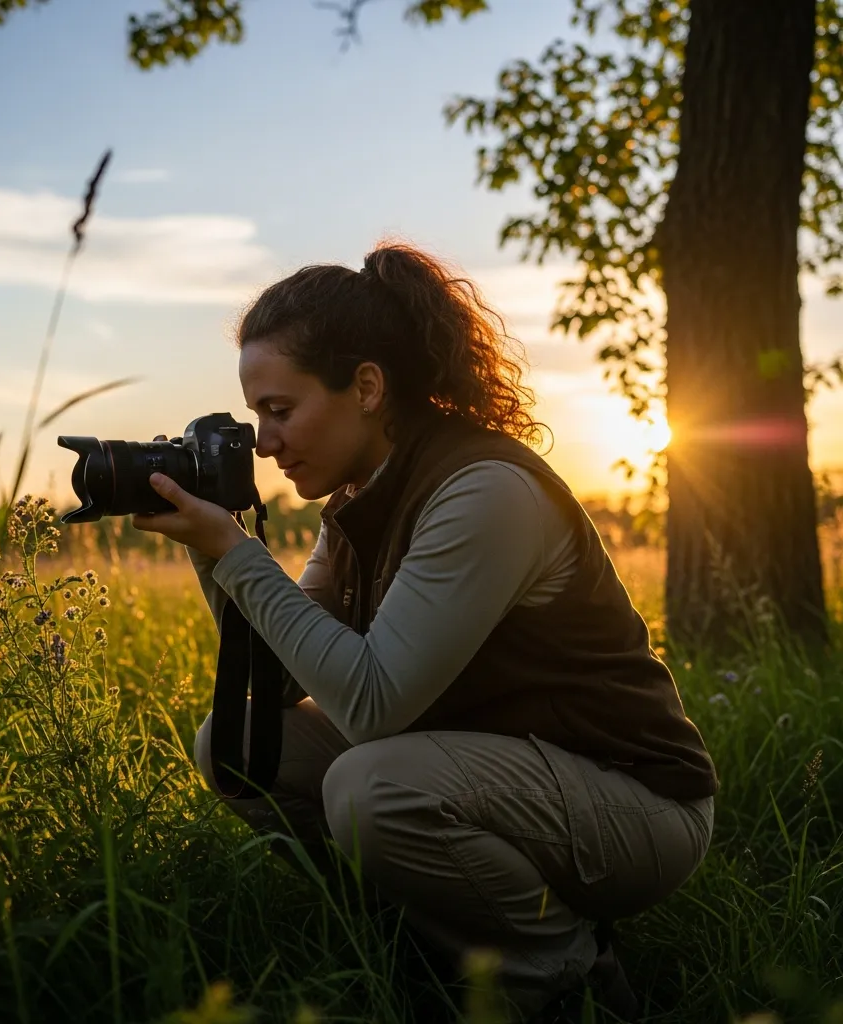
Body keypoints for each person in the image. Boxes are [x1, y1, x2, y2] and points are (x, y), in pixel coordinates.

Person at [131, 242, 718, 1023]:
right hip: (496, 777)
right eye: (256, 416)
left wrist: (239, 555)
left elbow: (373, 706)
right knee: (237, 743)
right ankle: (421, 940)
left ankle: (567, 977)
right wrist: (213, 548)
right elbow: (279, 682)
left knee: (372, 785)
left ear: (367, 387)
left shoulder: (483, 492)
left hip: (633, 804)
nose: (264, 442)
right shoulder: (359, 500)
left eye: (280, 410)